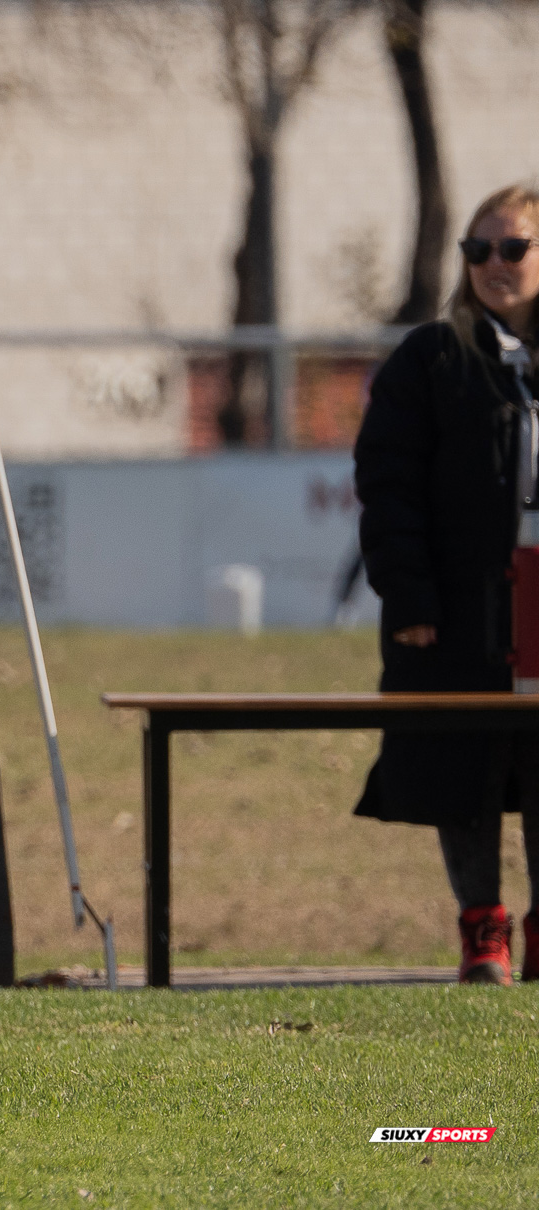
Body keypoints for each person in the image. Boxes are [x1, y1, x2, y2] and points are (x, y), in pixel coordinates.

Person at [355, 183, 539, 984]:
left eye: (513, 248)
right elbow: (388, 486)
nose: (493, 265)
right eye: (478, 250)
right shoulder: (432, 358)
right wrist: (411, 598)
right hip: (461, 605)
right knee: (466, 762)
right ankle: (483, 929)